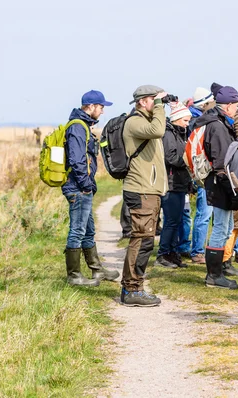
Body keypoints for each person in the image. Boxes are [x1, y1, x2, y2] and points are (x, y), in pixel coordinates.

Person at [120, 85, 169, 307]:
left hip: (149, 190)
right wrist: (159, 105)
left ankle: (135, 286)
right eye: (153, 100)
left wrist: (162, 105)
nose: (158, 104)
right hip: (141, 190)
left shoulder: (146, 121)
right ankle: (131, 289)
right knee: (141, 240)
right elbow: (158, 130)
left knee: (146, 240)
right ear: (142, 101)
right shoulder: (134, 122)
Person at [62, 90, 118, 287]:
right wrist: (86, 185)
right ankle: (74, 276)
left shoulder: (83, 125)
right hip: (77, 188)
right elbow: (76, 161)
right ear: (91, 106)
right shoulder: (77, 127)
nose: (102, 111)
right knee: (77, 230)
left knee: (88, 231)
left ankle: (97, 270)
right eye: (101, 107)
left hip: (81, 187)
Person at [195, 85, 238, 289]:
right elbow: (222, 161)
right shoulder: (218, 126)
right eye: (237, 106)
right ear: (230, 105)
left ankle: (219, 270)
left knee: (226, 227)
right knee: (221, 228)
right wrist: (231, 189)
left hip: (218, 181)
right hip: (220, 182)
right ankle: (213, 276)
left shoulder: (217, 121)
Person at [154, 102, 192, 269]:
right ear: (176, 119)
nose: (187, 123)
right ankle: (163, 254)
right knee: (171, 220)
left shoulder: (179, 133)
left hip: (179, 182)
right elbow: (170, 158)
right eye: (185, 120)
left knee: (176, 220)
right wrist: (187, 162)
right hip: (170, 184)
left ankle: (173, 253)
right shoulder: (169, 134)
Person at [187, 87, 216, 264]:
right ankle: (197, 251)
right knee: (205, 213)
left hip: (203, 172)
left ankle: (200, 250)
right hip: (205, 173)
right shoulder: (198, 122)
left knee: (207, 213)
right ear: (205, 103)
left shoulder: (193, 120)